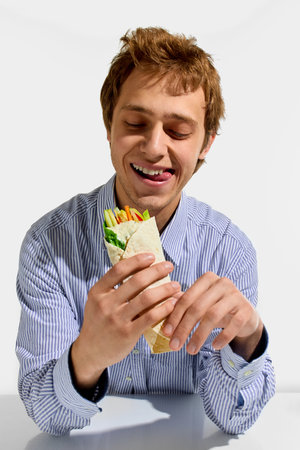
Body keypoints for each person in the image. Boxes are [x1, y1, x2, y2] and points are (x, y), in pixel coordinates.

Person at [16, 27, 275, 436]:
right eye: (136, 122)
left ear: (205, 143)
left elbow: (232, 420)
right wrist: (87, 355)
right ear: (109, 125)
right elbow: (50, 421)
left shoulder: (228, 251)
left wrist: (248, 338)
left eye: (179, 131)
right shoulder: (49, 245)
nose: (154, 148)